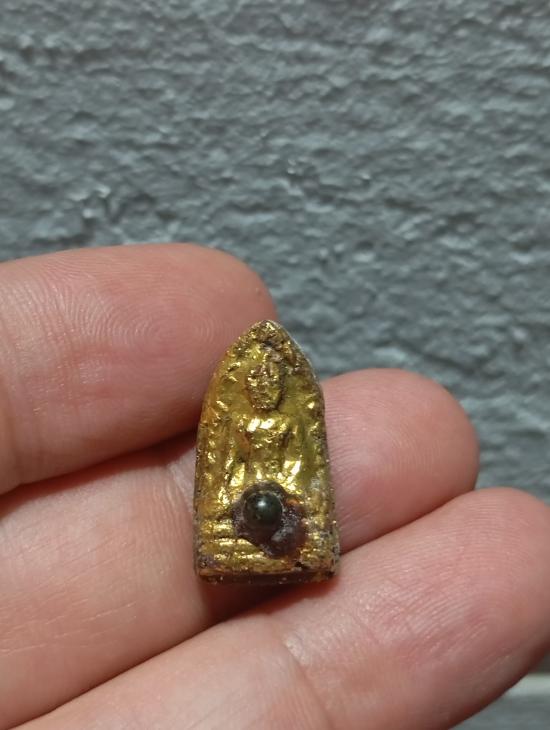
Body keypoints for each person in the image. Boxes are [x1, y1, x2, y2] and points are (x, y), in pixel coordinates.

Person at [0, 243, 548, 730]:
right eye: (256, 382)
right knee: (243, 514)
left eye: (269, 382)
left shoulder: (288, 422)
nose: (263, 388)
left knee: (283, 514)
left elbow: (297, 469)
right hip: (246, 500)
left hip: (282, 502)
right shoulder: (237, 421)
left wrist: (287, 499)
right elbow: (230, 470)